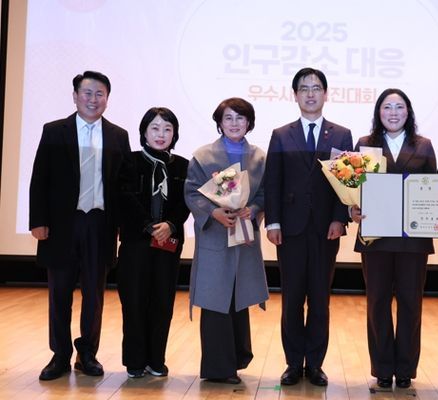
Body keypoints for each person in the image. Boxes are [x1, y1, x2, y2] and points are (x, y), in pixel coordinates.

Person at [29, 70, 131, 380]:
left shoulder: (118, 135)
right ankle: (59, 355)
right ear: (75, 96)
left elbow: (124, 186)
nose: (93, 99)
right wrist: (38, 221)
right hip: (61, 225)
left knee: (94, 295)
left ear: (107, 99)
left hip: (99, 224)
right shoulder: (54, 131)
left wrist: (123, 226)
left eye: (100, 94)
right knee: (59, 293)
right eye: (87, 93)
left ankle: (87, 354)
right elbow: (40, 178)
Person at [264, 67, 353, 386]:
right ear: (295, 95)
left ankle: (315, 363)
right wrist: (273, 221)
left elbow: (347, 182)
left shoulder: (341, 135)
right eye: (304, 88)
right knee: (291, 299)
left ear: (326, 94)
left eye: (316, 88)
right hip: (289, 229)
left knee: (319, 299)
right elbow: (272, 181)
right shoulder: (281, 134)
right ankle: (292, 363)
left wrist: (339, 218)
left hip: (325, 229)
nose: (310, 94)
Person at [350, 89, 436, 390]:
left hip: (413, 239)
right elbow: (353, 188)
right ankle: (383, 368)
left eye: (400, 107)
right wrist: (352, 209)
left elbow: (433, 186)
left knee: (411, 303)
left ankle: (406, 369)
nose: (394, 113)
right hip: (376, 238)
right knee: (377, 303)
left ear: (408, 112)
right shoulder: (365, 145)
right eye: (387, 107)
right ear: (379, 112)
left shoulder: (423, 145)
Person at [184, 97, 269, 384]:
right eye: (228, 118)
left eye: (240, 118)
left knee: (238, 297)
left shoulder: (259, 158)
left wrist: (253, 209)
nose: (234, 123)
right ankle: (219, 368)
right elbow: (192, 192)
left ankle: (237, 358)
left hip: (244, 236)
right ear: (219, 123)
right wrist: (214, 212)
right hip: (215, 236)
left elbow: (264, 194)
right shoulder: (203, 156)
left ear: (249, 123)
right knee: (215, 298)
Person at [116, 107, 190, 378]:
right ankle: (135, 361)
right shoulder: (130, 161)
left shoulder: (183, 165)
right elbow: (124, 197)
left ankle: (156, 360)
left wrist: (170, 225)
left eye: (167, 129)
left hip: (168, 242)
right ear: (144, 132)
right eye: (155, 128)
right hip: (136, 242)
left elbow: (186, 202)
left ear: (175, 134)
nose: (161, 134)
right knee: (134, 301)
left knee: (162, 302)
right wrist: (149, 226)